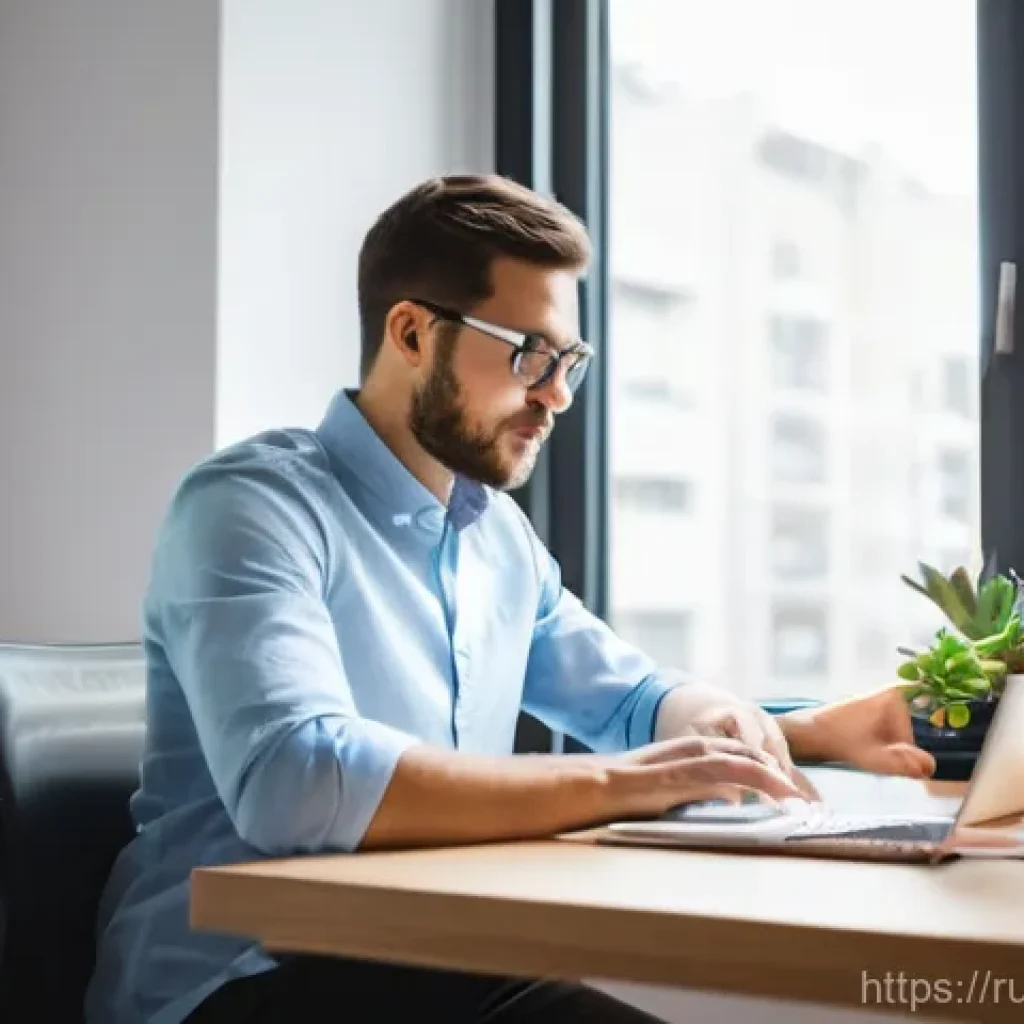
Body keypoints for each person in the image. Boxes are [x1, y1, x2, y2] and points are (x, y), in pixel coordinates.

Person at [85, 174, 936, 1024]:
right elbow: (298, 782)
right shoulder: (251, 506)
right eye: (530, 353)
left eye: (568, 360)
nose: (558, 394)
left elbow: (632, 701)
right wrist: (618, 783)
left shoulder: (494, 537)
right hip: (237, 984)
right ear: (412, 334)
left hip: (424, 960)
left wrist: (788, 729)